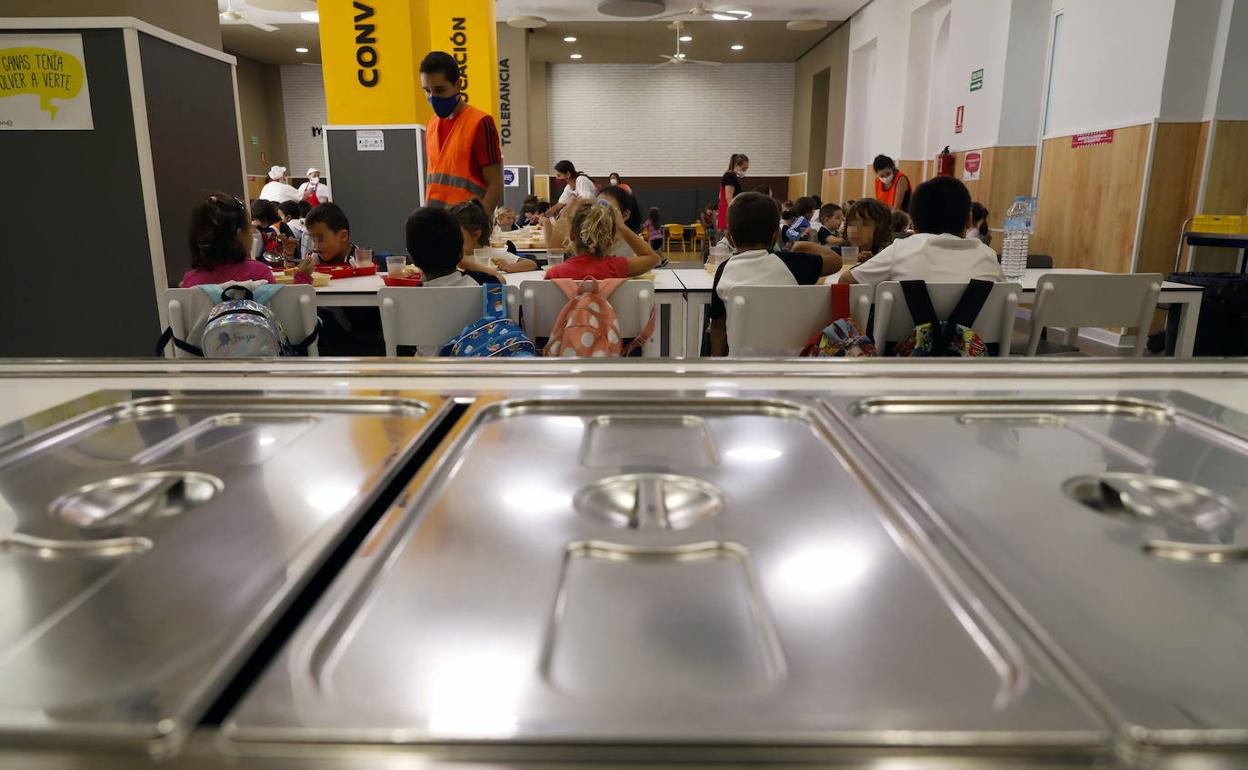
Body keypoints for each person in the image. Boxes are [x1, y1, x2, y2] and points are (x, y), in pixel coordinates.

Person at [707, 192, 843, 356]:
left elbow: (718, 327)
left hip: (741, 366)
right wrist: (802, 245)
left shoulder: (724, 269)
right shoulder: (793, 264)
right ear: (775, 235)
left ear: (730, 238)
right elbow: (836, 261)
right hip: (792, 365)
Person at [844, 175, 1004, 287]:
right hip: (976, 336)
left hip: (902, 336)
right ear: (968, 220)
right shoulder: (987, 256)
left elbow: (846, 281)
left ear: (913, 223)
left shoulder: (899, 251)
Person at [419, 51, 504, 213]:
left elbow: (495, 183)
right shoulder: (431, 125)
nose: (433, 97)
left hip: (468, 229)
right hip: (437, 224)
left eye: (439, 90)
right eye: (427, 91)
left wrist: (480, 225)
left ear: (458, 85)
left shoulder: (480, 122)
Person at [180, 193, 311, 288]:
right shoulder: (258, 273)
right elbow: (281, 313)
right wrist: (302, 278)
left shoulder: (190, 281)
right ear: (239, 235)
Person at [545, 199, 661, 281]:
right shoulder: (618, 267)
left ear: (572, 235)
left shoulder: (555, 273)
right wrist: (621, 226)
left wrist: (564, 217)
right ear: (610, 239)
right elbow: (653, 258)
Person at [406, 206, 498, 289]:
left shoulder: (410, 295)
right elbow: (499, 279)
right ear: (460, 247)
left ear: (412, 257)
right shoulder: (482, 283)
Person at [452, 199, 536, 274]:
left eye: (457, 234)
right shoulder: (450, 256)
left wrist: (509, 267)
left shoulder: (491, 254)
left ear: (476, 234)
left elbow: (531, 264)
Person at [840, 198, 896, 267]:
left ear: (879, 228)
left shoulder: (887, 253)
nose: (855, 229)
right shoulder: (839, 250)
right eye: (851, 224)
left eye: (864, 224)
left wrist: (873, 263)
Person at [717, 153, 749, 232]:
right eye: (743, 169)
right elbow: (729, 198)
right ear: (736, 165)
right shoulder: (729, 176)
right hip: (728, 214)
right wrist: (734, 216)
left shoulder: (731, 176)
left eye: (746, 169)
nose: (744, 171)